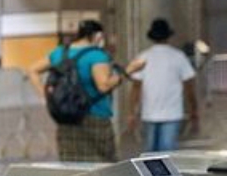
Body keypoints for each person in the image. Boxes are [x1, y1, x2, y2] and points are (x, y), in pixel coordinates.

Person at [28, 19, 133, 162]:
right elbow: (103, 85)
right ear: (97, 36)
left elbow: (32, 70)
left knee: (71, 163)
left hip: (66, 118)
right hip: (95, 116)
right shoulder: (97, 55)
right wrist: (126, 72)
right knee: (103, 163)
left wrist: (45, 96)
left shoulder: (59, 52)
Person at [127, 18, 198, 153]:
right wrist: (194, 110)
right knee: (168, 155)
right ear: (168, 36)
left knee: (149, 156)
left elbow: (136, 88)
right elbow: (189, 87)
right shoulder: (178, 57)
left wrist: (131, 113)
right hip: (172, 113)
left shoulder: (142, 57)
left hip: (149, 113)